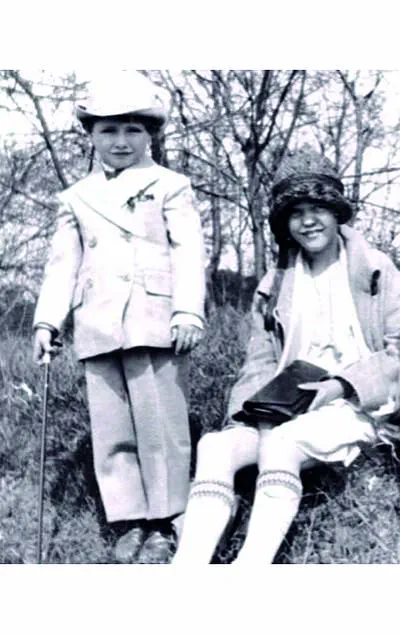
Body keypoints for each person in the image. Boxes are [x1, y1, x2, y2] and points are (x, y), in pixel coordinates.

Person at [172, 146, 400, 564]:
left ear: (336, 213)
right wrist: (249, 415)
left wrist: (341, 386)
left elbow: (399, 351)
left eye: (318, 208)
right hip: (287, 405)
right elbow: (259, 362)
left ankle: (251, 566)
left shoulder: (376, 269)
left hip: (356, 403)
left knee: (282, 444)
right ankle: (187, 567)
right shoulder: (276, 282)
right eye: (296, 213)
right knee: (214, 447)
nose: (308, 221)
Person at [32, 71, 206, 564]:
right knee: (112, 429)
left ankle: (164, 521)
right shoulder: (75, 197)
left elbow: (188, 252)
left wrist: (188, 310)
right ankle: (129, 520)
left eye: (133, 129)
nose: (121, 141)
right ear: (91, 135)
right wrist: (47, 322)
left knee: (160, 425)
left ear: (150, 134)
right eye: (108, 130)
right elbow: (62, 266)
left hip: (155, 317)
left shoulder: (171, 186)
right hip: (98, 321)